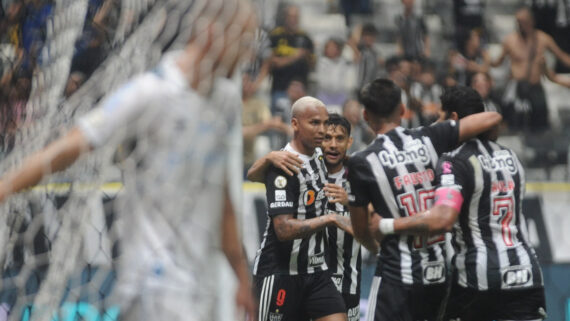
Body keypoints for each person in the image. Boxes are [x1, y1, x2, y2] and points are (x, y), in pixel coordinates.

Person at [0, 1, 257, 320]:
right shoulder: (152, 91)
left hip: (201, 285)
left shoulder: (224, 100)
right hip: (152, 286)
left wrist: (241, 275)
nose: (247, 55)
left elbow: (223, 198)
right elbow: (70, 147)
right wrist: (5, 186)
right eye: (243, 41)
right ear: (210, 32)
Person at [370, 86, 547, 321]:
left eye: (439, 117)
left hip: (477, 279)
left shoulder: (454, 162)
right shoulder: (511, 156)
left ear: (453, 119)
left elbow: (443, 219)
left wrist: (386, 225)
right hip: (525, 274)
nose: (435, 124)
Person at [346, 79, 502, 321]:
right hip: (439, 276)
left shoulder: (361, 162)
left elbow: (359, 229)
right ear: (401, 109)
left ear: (365, 115)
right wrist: (446, 124)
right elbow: (491, 118)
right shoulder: (430, 137)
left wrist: (377, 247)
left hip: (396, 275)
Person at [249, 97, 350, 321]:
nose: (323, 130)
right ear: (295, 124)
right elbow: (283, 230)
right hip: (280, 273)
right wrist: (330, 219)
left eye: (325, 123)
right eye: (315, 123)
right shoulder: (284, 165)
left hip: (317, 273)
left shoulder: (321, 156)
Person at [492, 6, 570, 132]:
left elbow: (562, 57)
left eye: (523, 21)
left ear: (532, 21)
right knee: (515, 124)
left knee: (540, 125)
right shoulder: (510, 40)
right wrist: (486, 61)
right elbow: (497, 63)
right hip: (517, 88)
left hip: (536, 86)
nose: (520, 25)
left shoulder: (543, 38)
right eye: (518, 21)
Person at [266, 4, 314, 114]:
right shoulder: (275, 36)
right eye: (290, 16)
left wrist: (306, 56)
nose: (293, 20)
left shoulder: (306, 38)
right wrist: (296, 56)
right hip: (280, 88)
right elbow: (272, 62)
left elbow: (312, 64)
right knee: (278, 123)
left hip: (301, 92)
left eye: (296, 17)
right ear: (285, 17)